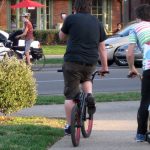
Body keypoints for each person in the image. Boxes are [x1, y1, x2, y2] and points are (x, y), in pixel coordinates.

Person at [59, 0, 109, 135]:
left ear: (75, 7)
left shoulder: (71, 19)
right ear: (90, 8)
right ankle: (89, 96)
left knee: (70, 97)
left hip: (72, 61)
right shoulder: (97, 22)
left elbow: (61, 37)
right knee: (86, 78)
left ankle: (69, 126)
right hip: (91, 62)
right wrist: (104, 67)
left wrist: (65, 23)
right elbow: (102, 48)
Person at [126, 4, 150, 142]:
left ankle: (141, 135)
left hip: (149, 68)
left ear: (138, 18)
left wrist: (132, 68)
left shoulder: (135, 28)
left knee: (145, 101)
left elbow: (129, 54)